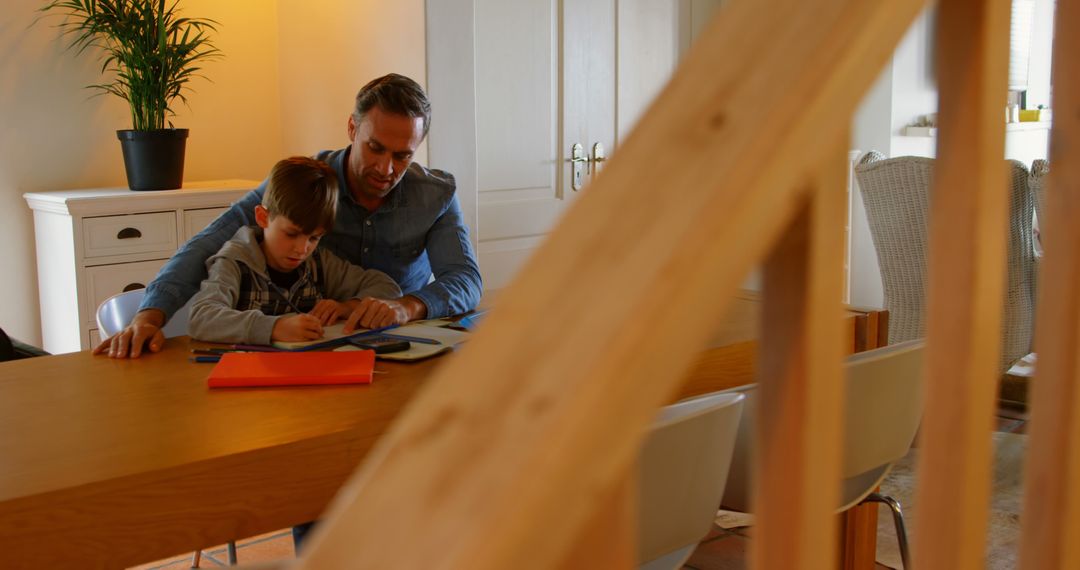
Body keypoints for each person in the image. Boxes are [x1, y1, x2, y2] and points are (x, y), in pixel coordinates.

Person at [96, 73, 482, 358]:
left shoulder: (437, 193)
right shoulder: (305, 183)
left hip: (403, 346)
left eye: (403, 156)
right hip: (315, 348)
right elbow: (208, 244)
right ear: (352, 128)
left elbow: (465, 279)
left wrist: (407, 306)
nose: (386, 168)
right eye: (375, 148)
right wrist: (148, 317)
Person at [187, 156, 401, 344]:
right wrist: (274, 328)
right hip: (250, 380)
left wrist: (347, 307)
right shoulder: (235, 261)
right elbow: (202, 318)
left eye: (314, 237)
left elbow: (387, 287)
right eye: (291, 233)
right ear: (263, 217)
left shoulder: (319, 262)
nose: (302, 249)